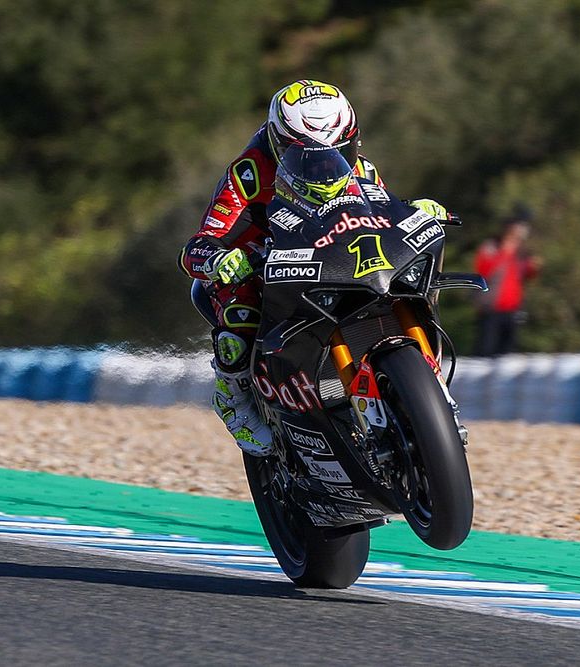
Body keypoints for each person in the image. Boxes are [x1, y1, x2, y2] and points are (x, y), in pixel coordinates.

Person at [179, 80, 445, 457]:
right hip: (266, 257)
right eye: (308, 154)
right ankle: (232, 395)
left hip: (335, 254)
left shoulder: (361, 168)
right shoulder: (248, 173)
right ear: (279, 142)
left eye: (340, 150)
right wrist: (221, 258)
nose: (326, 164)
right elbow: (199, 243)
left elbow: (384, 212)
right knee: (240, 309)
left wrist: (417, 211)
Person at [473, 213, 541, 357]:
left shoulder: (522, 253)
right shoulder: (492, 247)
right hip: (491, 309)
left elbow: (528, 275)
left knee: (508, 353)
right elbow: (483, 269)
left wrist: (533, 266)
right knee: (486, 350)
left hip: (512, 309)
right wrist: (504, 252)